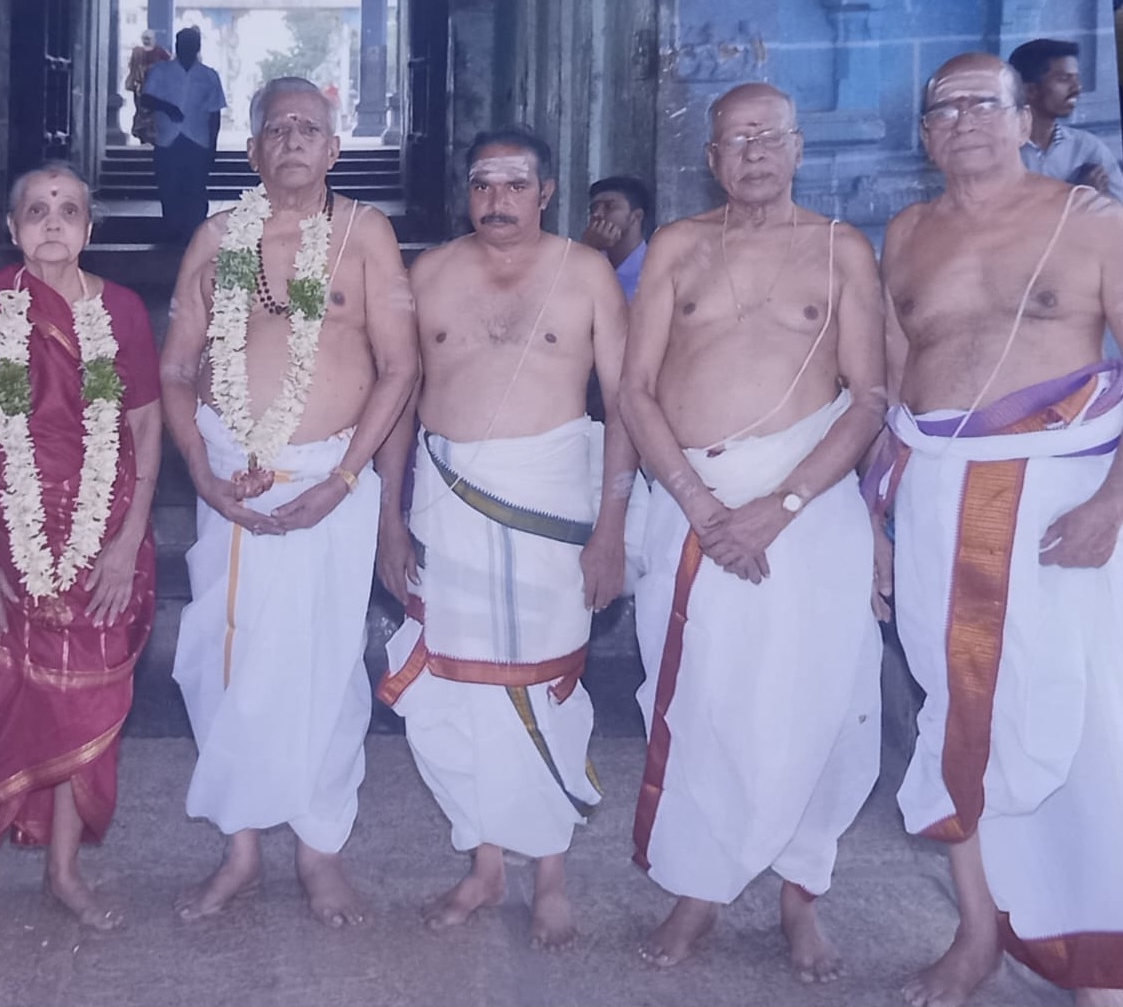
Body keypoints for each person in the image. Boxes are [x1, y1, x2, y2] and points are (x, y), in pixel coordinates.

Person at [619, 82, 886, 981]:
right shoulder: (677, 248)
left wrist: (783, 505)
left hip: (804, 517)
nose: (755, 151)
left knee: (813, 704)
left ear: (800, 148)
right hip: (693, 507)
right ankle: (697, 888)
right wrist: (700, 504)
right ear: (712, 161)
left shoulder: (842, 249)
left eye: (771, 135)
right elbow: (634, 391)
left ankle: (798, 895)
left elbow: (871, 397)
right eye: (736, 140)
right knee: (698, 698)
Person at [874, 52, 1123, 1007]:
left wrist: (1111, 503)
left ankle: (1097, 955)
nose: (965, 122)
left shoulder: (1091, 225)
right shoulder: (905, 233)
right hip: (937, 499)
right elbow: (900, 387)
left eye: (986, 105)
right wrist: (882, 522)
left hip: (1064, 506)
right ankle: (978, 932)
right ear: (925, 135)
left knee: (1085, 720)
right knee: (956, 718)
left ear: (1027, 123)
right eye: (945, 109)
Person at [160, 76, 419, 926]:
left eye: (311, 127)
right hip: (231, 484)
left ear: (335, 149)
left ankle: (319, 851)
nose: (295, 139)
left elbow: (400, 368)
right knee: (223, 659)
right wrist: (198, 466)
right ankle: (239, 849)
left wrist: (348, 481)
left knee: (327, 663)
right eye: (279, 128)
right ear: (254, 150)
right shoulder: (218, 237)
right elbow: (175, 366)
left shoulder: (366, 235)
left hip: (331, 486)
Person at [373, 127, 637, 949]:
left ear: (547, 192)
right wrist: (390, 517)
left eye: (515, 184)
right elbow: (401, 395)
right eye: (484, 184)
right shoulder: (432, 272)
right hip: (447, 505)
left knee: (544, 683)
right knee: (454, 690)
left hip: (551, 506)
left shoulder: (586, 273)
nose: (497, 200)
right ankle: (486, 864)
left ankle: (549, 871)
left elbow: (626, 402)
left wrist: (611, 529)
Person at [0, 161, 161, 950]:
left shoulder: (119, 311)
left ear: (91, 228)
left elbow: (146, 431)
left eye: (70, 209)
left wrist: (122, 544)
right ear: (12, 228)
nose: (54, 221)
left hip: (99, 539)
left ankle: (63, 873)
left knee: (76, 704)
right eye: (37, 210)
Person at [141, 26, 226, 244]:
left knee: (196, 189)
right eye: (183, 43)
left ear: (197, 47)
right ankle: (172, 233)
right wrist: (167, 107)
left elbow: (214, 113)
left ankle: (195, 235)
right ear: (177, 46)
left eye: (191, 44)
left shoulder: (209, 75)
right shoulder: (161, 71)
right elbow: (146, 99)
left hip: (197, 140)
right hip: (168, 140)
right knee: (169, 187)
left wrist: (212, 146)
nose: (187, 48)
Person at [1009, 38, 1123, 199]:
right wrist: (1078, 196)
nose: (1077, 88)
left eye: (1076, 79)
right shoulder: (999, 150)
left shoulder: (1088, 149)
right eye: (1064, 79)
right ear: (1030, 90)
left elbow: (1118, 215)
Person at [580, 175, 653, 301]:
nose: (597, 214)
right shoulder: (590, 260)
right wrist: (585, 250)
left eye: (609, 207)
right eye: (593, 209)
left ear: (636, 216)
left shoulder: (653, 270)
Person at [125, 29, 172, 146]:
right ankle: (143, 136)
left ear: (153, 39)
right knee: (142, 112)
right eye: (145, 38)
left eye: (148, 38)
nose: (147, 41)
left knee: (155, 114)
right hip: (141, 87)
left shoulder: (160, 52)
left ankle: (154, 137)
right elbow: (132, 67)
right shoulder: (138, 52)